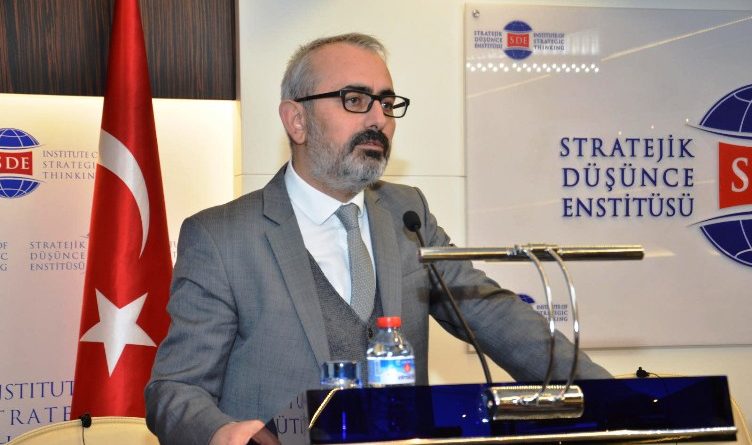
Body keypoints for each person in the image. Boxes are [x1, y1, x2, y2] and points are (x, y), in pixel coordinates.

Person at [145, 33, 611, 445]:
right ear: (296, 120)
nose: (378, 119)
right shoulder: (221, 237)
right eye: (355, 100)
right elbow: (175, 389)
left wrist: (613, 394)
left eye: (387, 103)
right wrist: (219, 432)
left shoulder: (407, 213)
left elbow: (491, 312)